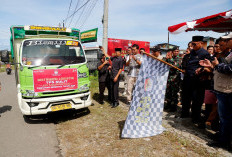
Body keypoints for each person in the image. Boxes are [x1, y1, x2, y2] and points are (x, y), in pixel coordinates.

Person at [199, 33, 232, 151]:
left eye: (227, 41)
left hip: (228, 91)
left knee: (226, 117)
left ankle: (225, 141)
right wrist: (211, 66)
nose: (225, 43)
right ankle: (223, 138)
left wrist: (217, 65)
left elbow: (229, 69)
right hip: (223, 90)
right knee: (224, 117)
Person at [181, 36, 212, 124]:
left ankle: (195, 117)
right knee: (186, 97)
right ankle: (185, 113)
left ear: (201, 43)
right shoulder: (191, 53)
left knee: (197, 100)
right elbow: (187, 62)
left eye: (195, 44)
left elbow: (208, 66)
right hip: (188, 78)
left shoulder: (205, 53)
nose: (193, 46)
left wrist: (201, 69)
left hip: (198, 80)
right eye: (192, 44)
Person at [163, 46, 182, 112]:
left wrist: (171, 59)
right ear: (172, 52)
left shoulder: (179, 58)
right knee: (168, 92)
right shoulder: (169, 57)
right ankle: (168, 104)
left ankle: (174, 106)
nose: (176, 52)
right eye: (175, 51)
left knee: (174, 93)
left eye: (177, 51)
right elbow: (163, 64)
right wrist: (166, 58)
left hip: (175, 79)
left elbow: (176, 66)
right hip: (168, 78)